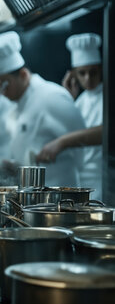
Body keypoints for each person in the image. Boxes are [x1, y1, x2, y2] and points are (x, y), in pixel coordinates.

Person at [0, 31, 85, 187]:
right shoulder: (19, 105)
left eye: (5, 84)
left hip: (61, 197)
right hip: (36, 198)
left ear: (23, 75)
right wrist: (15, 166)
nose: (2, 93)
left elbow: (83, 149)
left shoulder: (51, 97)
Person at [37, 33, 103, 199]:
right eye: (82, 73)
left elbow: (105, 131)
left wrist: (63, 142)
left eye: (93, 72)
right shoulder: (80, 101)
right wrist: (69, 100)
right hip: (81, 180)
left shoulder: (108, 97)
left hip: (102, 179)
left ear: (101, 70)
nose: (88, 79)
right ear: (73, 75)